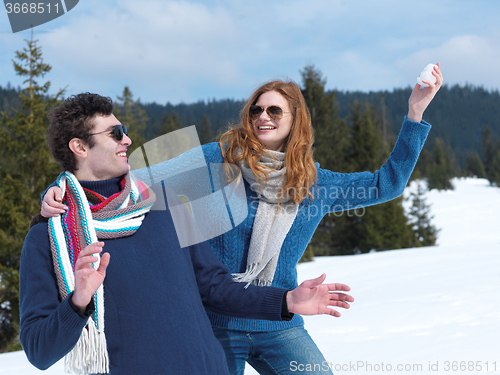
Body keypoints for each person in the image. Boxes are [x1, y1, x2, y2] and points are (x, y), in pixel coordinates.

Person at [40, 64, 443, 375]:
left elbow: (385, 184)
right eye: (256, 109)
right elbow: (139, 178)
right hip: (215, 324)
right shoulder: (217, 159)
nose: (262, 116)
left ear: (294, 119)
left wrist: (414, 113)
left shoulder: (314, 184)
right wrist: (65, 188)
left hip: (279, 322)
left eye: (274, 110)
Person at [20, 93, 355, 375]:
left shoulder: (161, 206)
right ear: (79, 146)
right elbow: (39, 350)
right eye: (115, 133)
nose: (128, 139)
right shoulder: (49, 238)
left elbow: (215, 286)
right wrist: (78, 302)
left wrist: (286, 300)